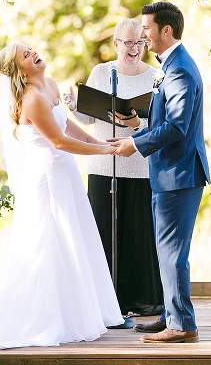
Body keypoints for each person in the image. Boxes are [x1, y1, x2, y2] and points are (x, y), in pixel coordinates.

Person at [0, 41, 124, 349]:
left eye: (30, 49)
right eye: (25, 55)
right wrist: (105, 150)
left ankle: (74, 312)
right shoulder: (32, 100)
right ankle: (39, 316)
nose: (33, 53)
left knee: (73, 239)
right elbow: (60, 141)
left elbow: (68, 126)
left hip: (65, 174)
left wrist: (99, 141)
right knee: (47, 242)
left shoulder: (51, 85)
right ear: (20, 72)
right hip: (46, 177)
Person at [111, 1, 209, 344]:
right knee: (166, 250)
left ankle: (181, 325)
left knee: (173, 253)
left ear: (166, 31)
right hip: (169, 172)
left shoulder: (180, 69)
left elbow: (178, 128)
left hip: (178, 174)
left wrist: (135, 144)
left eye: (147, 29)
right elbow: (166, 119)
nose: (142, 35)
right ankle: (171, 315)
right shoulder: (171, 65)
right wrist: (139, 126)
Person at [64, 18, 163, 317]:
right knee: (103, 231)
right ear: (116, 43)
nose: (134, 48)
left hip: (139, 165)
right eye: (128, 42)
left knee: (137, 232)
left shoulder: (156, 77)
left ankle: (141, 300)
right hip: (103, 163)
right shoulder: (101, 72)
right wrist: (73, 106)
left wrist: (137, 123)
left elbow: (161, 123)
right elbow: (90, 119)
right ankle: (106, 302)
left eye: (139, 42)